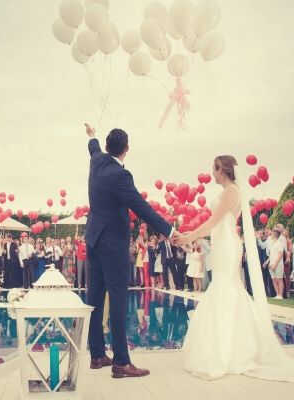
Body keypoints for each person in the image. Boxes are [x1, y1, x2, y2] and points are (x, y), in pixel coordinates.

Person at [177, 155, 294, 382]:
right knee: (226, 288)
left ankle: (229, 351)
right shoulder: (231, 191)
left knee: (226, 288)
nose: (212, 172)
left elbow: (214, 222)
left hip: (227, 244)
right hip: (223, 243)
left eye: (215, 168)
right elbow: (215, 224)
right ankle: (232, 346)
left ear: (223, 170)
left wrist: (188, 235)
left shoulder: (231, 192)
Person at [83, 123, 179, 379]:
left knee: (93, 300)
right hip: (112, 245)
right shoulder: (119, 175)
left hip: (93, 238)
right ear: (126, 149)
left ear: (106, 146)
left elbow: (91, 148)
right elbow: (141, 207)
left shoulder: (97, 162)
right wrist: (169, 231)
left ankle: (97, 355)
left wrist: (91, 135)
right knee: (117, 300)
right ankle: (121, 362)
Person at [267, 229, 285, 299]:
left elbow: (280, 255)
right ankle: (277, 294)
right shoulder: (272, 243)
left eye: (272, 233)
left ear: (275, 234)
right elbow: (271, 254)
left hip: (278, 264)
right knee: (273, 279)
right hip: (271, 263)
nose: (271, 234)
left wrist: (275, 264)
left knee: (279, 279)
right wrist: (268, 262)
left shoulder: (279, 243)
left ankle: (280, 295)